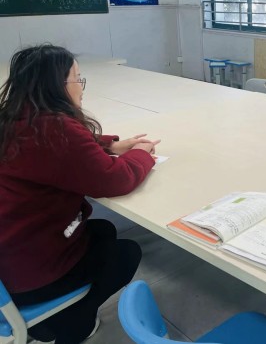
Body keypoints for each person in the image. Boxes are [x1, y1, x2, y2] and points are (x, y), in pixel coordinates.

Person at [0, 45, 160, 344]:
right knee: (126, 254)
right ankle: (74, 325)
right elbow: (115, 180)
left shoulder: (16, 118)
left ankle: (50, 320)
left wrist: (110, 145)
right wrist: (141, 153)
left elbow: (61, 150)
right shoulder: (56, 130)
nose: (81, 87)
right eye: (77, 78)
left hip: (11, 258)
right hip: (30, 275)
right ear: (57, 84)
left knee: (103, 229)